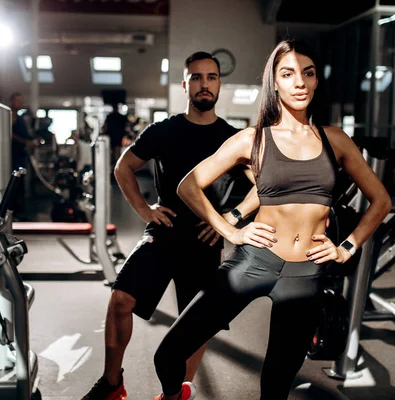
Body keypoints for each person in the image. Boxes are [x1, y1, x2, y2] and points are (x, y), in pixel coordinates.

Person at [152, 39, 392, 400]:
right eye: (288, 74)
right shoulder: (252, 139)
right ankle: (173, 396)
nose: (300, 82)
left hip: (306, 273)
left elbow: (381, 201)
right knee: (168, 353)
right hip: (253, 262)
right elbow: (189, 186)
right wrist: (230, 229)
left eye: (307, 73)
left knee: (276, 384)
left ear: (316, 81)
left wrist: (346, 247)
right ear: (274, 83)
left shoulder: (336, 140)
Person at [81, 51, 259, 400]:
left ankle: (178, 392)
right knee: (120, 300)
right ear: (185, 84)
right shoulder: (164, 130)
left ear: (219, 84)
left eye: (211, 77)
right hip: (164, 230)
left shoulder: (232, 139)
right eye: (196, 77)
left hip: (205, 237)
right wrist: (144, 209)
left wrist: (230, 219)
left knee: (197, 324)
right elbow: (123, 167)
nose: (204, 84)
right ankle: (112, 384)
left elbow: (263, 186)